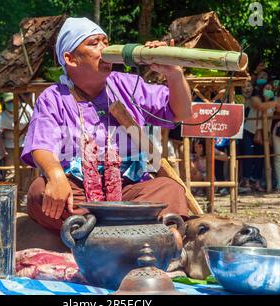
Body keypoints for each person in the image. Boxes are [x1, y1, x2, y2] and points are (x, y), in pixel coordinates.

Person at [22, 17, 193, 233]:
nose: (105, 48)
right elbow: (41, 145)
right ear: (71, 58)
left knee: (169, 189)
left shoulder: (127, 84)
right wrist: (56, 175)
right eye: (94, 43)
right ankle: (127, 229)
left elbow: (182, 112)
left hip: (129, 188)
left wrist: (174, 73)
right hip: (79, 193)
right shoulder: (53, 97)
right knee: (39, 192)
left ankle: (94, 231)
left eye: (106, 41)